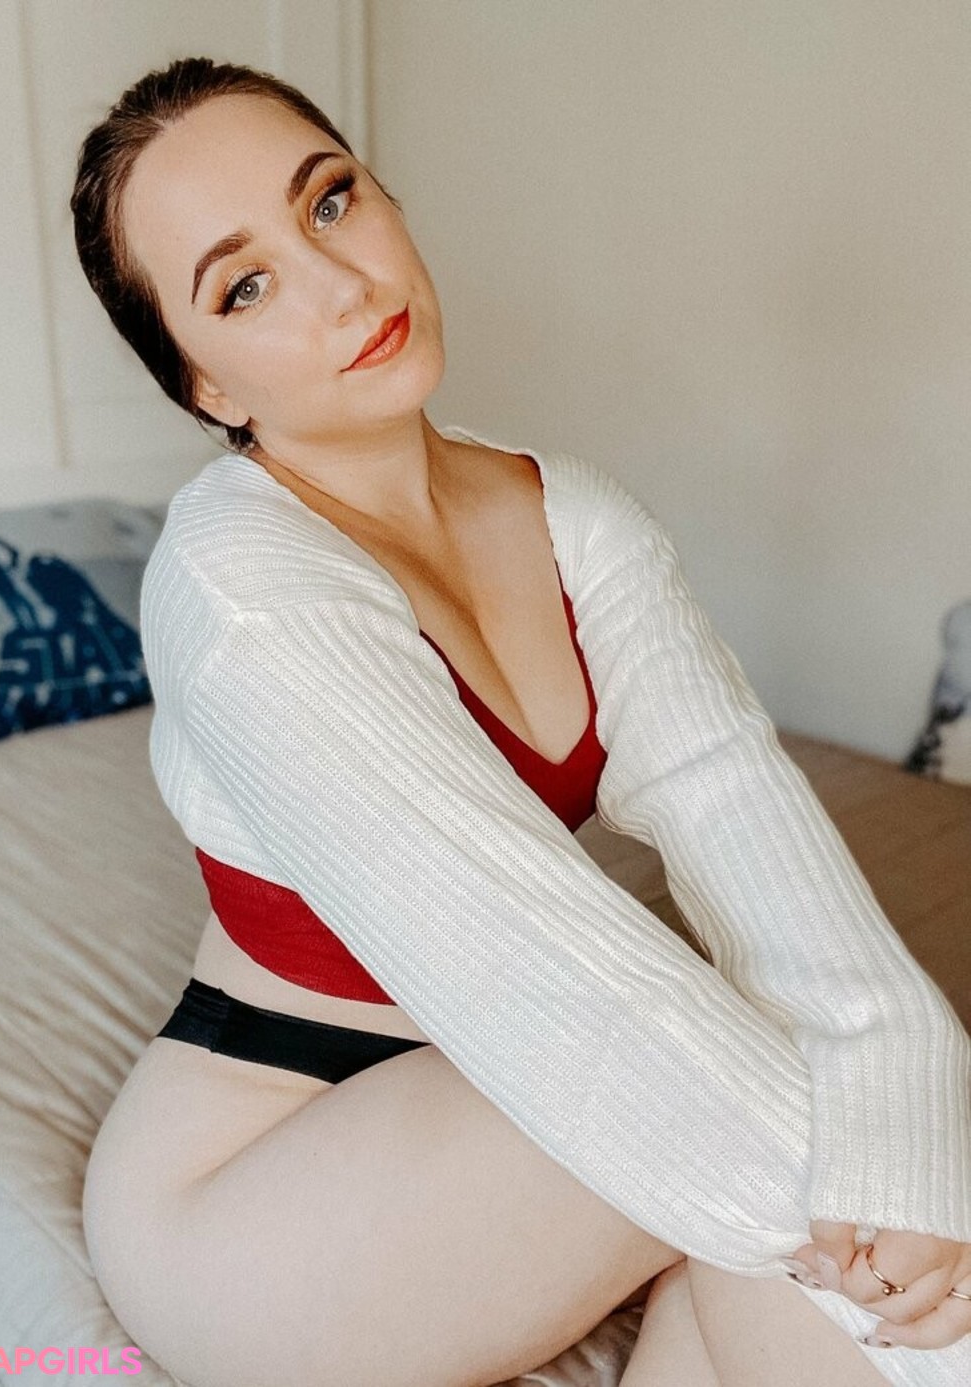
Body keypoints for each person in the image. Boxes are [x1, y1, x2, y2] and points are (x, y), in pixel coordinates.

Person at [71, 57, 971, 1387]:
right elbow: (542, 985)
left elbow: (744, 819)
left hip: (501, 1092)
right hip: (255, 1174)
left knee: (850, 1148)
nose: (340, 285)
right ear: (207, 386)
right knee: (817, 1174)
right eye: (243, 286)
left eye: (330, 202)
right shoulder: (238, 588)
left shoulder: (577, 519)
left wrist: (915, 1105)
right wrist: (920, 1200)